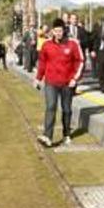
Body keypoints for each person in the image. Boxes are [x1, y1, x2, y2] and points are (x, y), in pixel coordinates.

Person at [34, 18, 84, 147]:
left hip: (67, 83)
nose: (58, 33)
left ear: (64, 30)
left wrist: (74, 79)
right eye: (56, 31)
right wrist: (38, 78)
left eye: (60, 31)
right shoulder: (46, 45)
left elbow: (80, 61)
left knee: (66, 109)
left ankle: (66, 133)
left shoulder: (72, 44)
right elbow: (42, 63)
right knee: (51, 107)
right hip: (51, 82)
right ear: (52, 31)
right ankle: (47, 136)